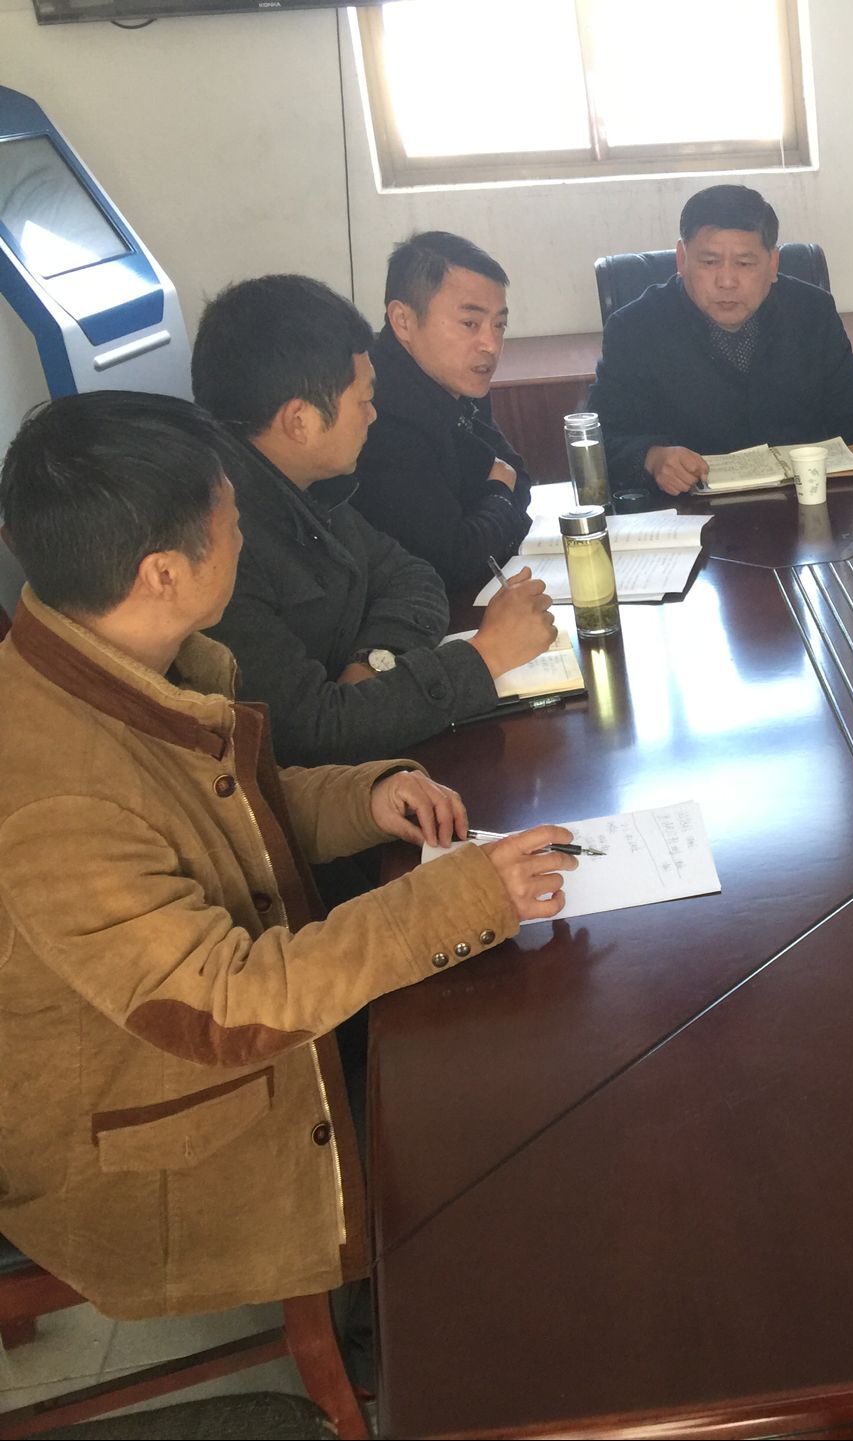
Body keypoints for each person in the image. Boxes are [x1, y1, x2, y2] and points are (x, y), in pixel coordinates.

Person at [0, 388, 575, 1319]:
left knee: (502, 1047)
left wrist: (367, 796)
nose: (245, 539)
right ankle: (382, 1335)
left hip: (223, 1040)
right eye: (231, 523)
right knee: (510, 1125)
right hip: (171, 1135)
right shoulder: (55, 795)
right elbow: (224, 1007)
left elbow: (220, 815)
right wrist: (461, 898)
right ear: (162, 573)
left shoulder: (113, 661)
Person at [191, 273, 557, 766]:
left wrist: (370, 666)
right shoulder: (218, 545)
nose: (372, 417)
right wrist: (486, 655)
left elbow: (414, 578)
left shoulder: (307, 485)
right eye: (363, 402)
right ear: (299, 421)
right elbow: (310, 737)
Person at [588, 184, 853, 507]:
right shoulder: (634, 329)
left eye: (745, 264)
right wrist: (651, 457)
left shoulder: (812, 313)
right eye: (709, 262)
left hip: (804, 510)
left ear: (772, 264)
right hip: (689, 517)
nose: (727, 282)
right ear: (682, 259)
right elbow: (598, 444)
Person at [349, 231, 535, 593]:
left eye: (499, 325)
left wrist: (493, 497)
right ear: (403, 320)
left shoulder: (455, 377)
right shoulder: (376, 411)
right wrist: (497, 492)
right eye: (470, 324)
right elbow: (454, 561)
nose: (491, 345)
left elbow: (519, 475)